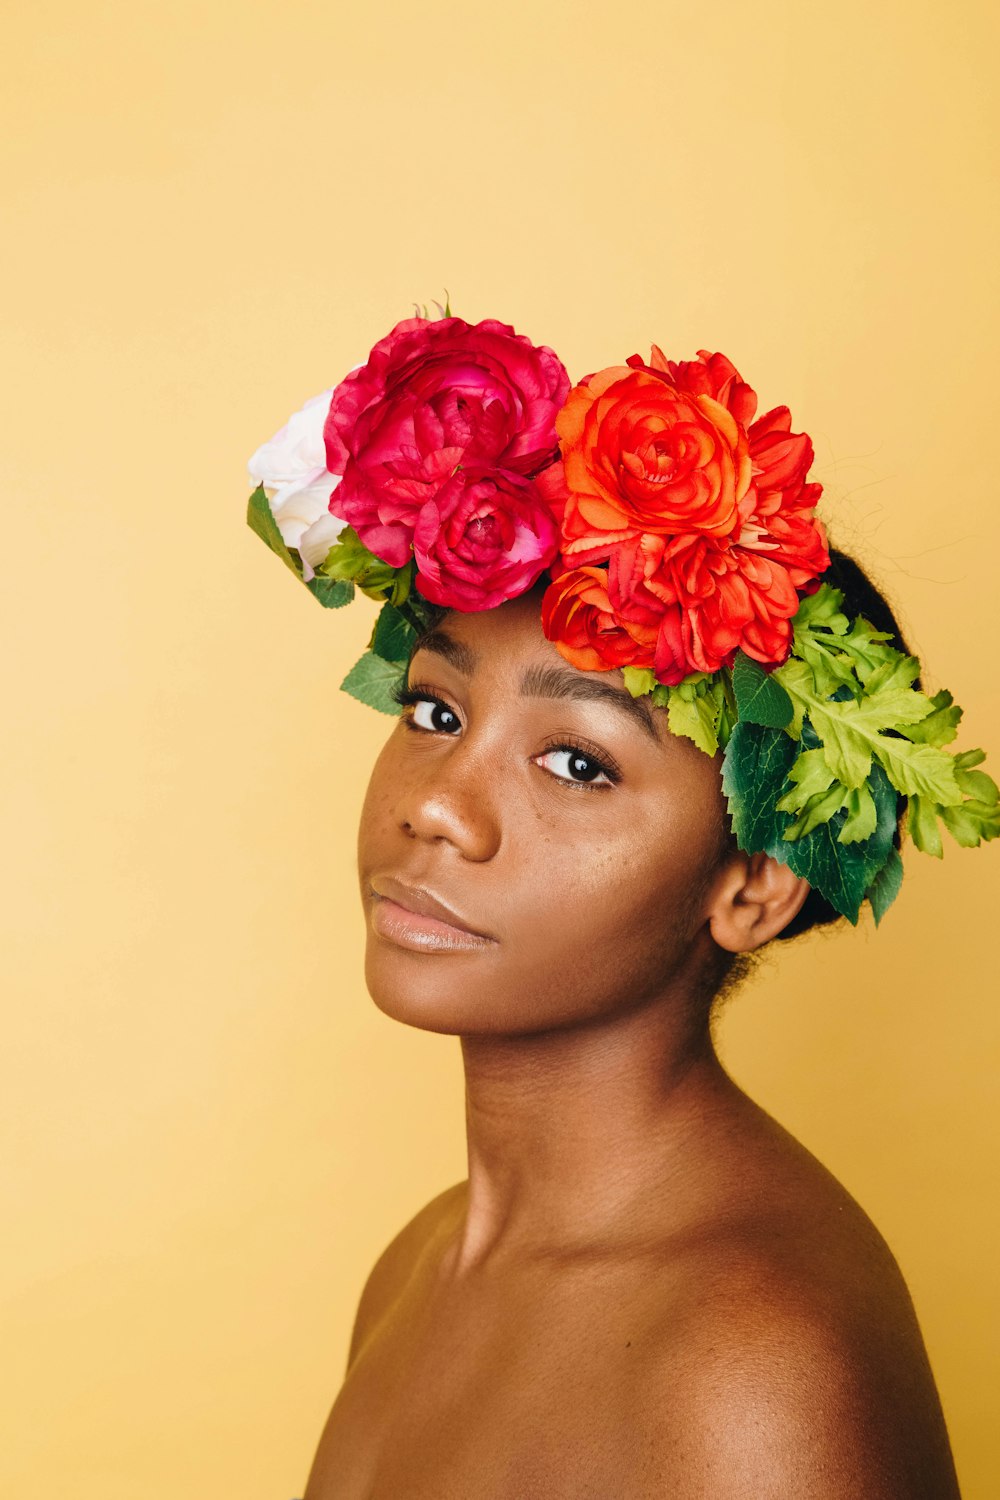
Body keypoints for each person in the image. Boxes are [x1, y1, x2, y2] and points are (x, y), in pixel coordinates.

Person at [247, 312, 995, 1497]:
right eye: (436, 712)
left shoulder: (752, 1360)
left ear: (752, 885)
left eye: (577, 763)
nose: (440, 809)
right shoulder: (424, 1265)